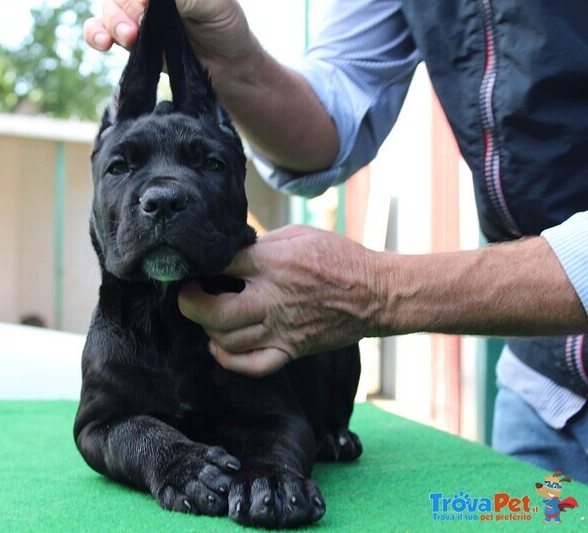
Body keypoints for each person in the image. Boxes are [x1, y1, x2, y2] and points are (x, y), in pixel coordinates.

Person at [84, 0, 588, 479]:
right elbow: (336, 102)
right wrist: (231, 61)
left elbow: (281, 424)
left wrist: (377, 288)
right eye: (125, 165)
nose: (163, 195)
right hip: (541, 389)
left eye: (210, 162)